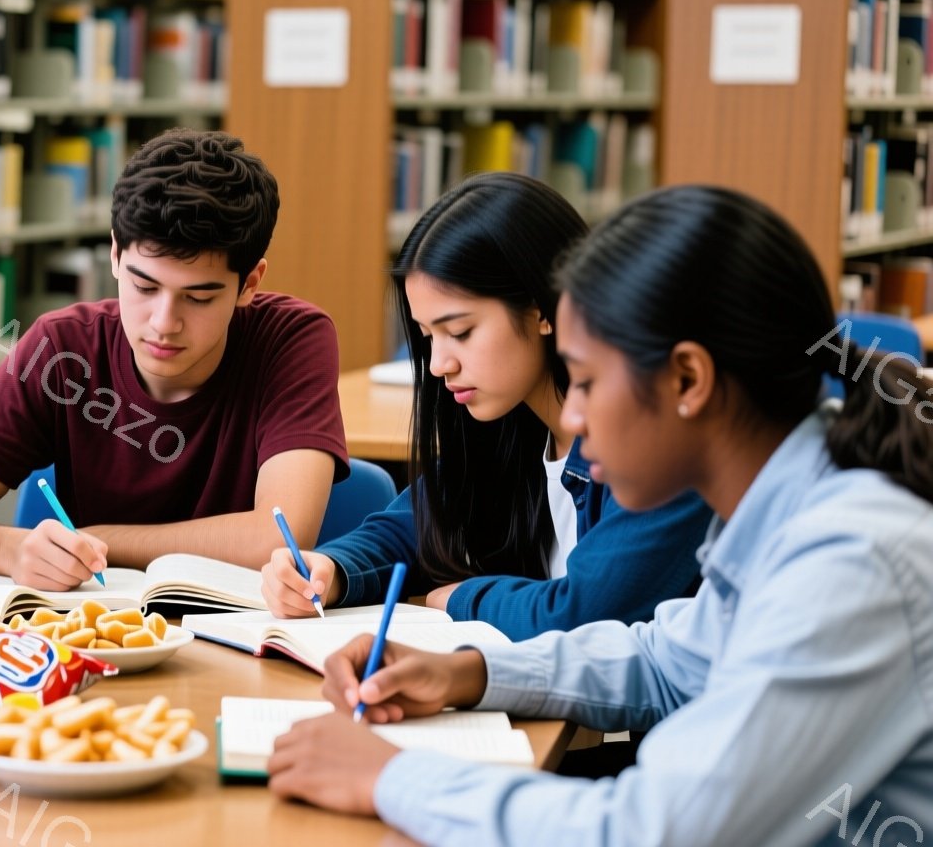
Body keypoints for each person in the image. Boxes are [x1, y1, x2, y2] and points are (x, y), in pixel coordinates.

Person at [266, 185, 933, 845]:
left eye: (584, 381)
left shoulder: (848, 557)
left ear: (688, 381)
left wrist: (393, 778)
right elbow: (668, 663)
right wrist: (466, 673)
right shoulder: (780, 502)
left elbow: (652, 830)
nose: (573, 419)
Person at [261, 173, 711, 640]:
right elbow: (410, 529)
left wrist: (460, 599)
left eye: (460, 332)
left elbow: (584, 614)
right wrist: (330, 570)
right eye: (428, 335)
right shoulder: (511, 422)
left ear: (541, 308)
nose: (438, 364)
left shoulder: (650, 446)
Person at [0, 128, 349, 589]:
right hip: (95, 633)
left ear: (250, 284)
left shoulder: (293, 339)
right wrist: (12, 550)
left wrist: (97, 539)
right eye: (144, 287)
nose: (164, 322)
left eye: (198, 298)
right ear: (116, 255)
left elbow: (278, 539)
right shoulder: (61, 350)